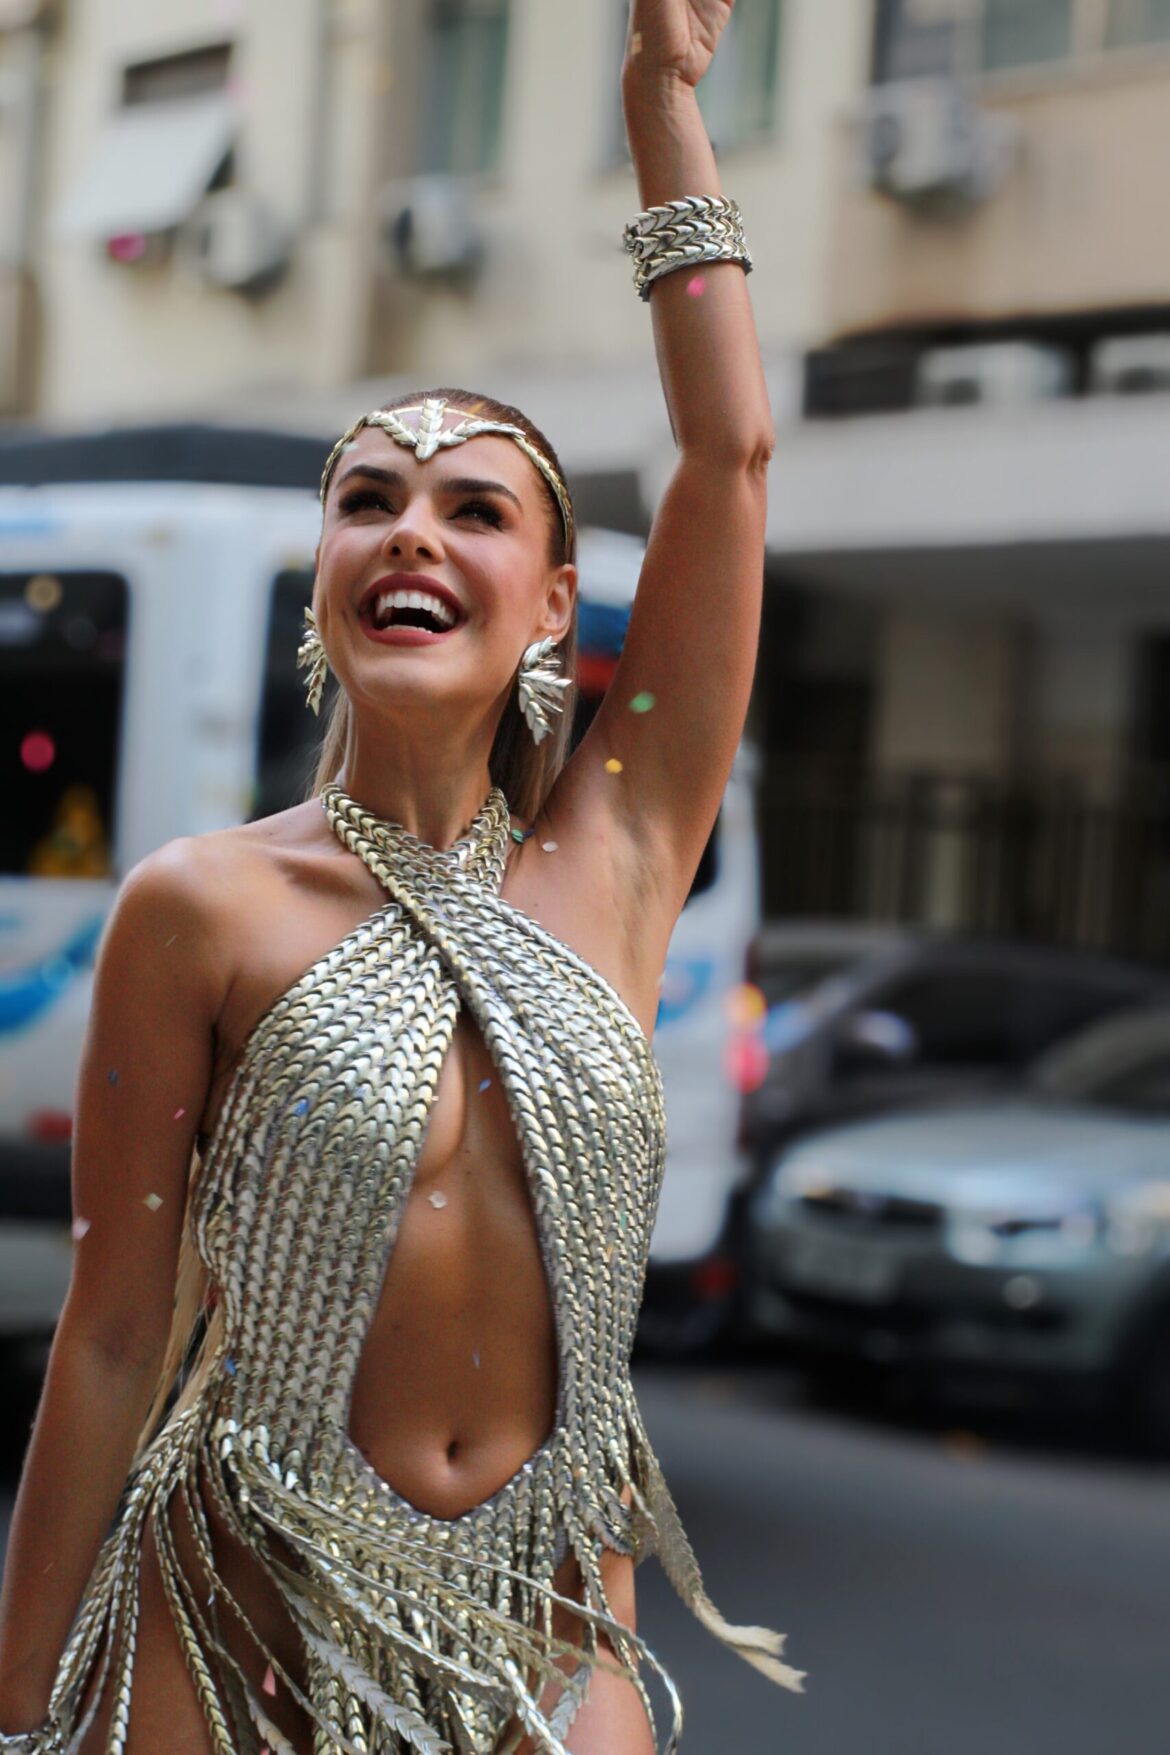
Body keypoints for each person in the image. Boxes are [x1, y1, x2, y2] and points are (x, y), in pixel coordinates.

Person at [0, 3, 805, 1749]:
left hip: (544, 1620)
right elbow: (114, 1336)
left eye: (474, 510)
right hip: (239, 1604)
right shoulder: (201, 907)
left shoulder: (619, 862)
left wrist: (659, 102)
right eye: (367, 501)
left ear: (549, 606)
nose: (410, 530)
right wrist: (17, 1709)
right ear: (326, 582)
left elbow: (729, 459)